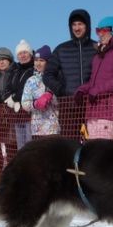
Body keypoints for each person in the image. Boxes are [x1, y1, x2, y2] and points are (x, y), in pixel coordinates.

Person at [74, 16, 113, 140]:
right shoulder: (99, 55)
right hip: (93, 112)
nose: (100, 34)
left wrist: (98, 90)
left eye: (104, 30)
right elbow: (93, 82)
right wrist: (82, 90)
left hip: (110, 111)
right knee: (93, 151)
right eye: (98, 31)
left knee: (102, 152)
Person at [43, 8, 97, 138]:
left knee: (94, 144)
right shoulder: (62, 49)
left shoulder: (97, 47)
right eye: (74, 24)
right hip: (69, 106)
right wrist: (61, 90)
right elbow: (48, 74)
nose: (77, 28)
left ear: (87, 26)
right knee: (70, 144)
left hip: (93, 104)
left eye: (80, 24)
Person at [21, 45, 59, 138]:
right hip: (37, 129)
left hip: (53, 128)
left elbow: (61, 98)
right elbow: (24, 103)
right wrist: (35, 104)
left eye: (41, 60)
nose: (38, 63)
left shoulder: (55, 78)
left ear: (48, 62)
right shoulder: (31, 81)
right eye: (36, 60)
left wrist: (51, 97)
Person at [8, 39, 34, 149]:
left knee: (30, 144)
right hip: (17, 114)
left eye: (25, 52)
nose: (22, 56)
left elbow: (29, 88)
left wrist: (15, 97)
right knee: (20, 146)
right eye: (20, 53)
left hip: (29, 113)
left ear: (30, 54)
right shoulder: (16, 70)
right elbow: (10, 86)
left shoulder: (33, 69)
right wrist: (8, 96)